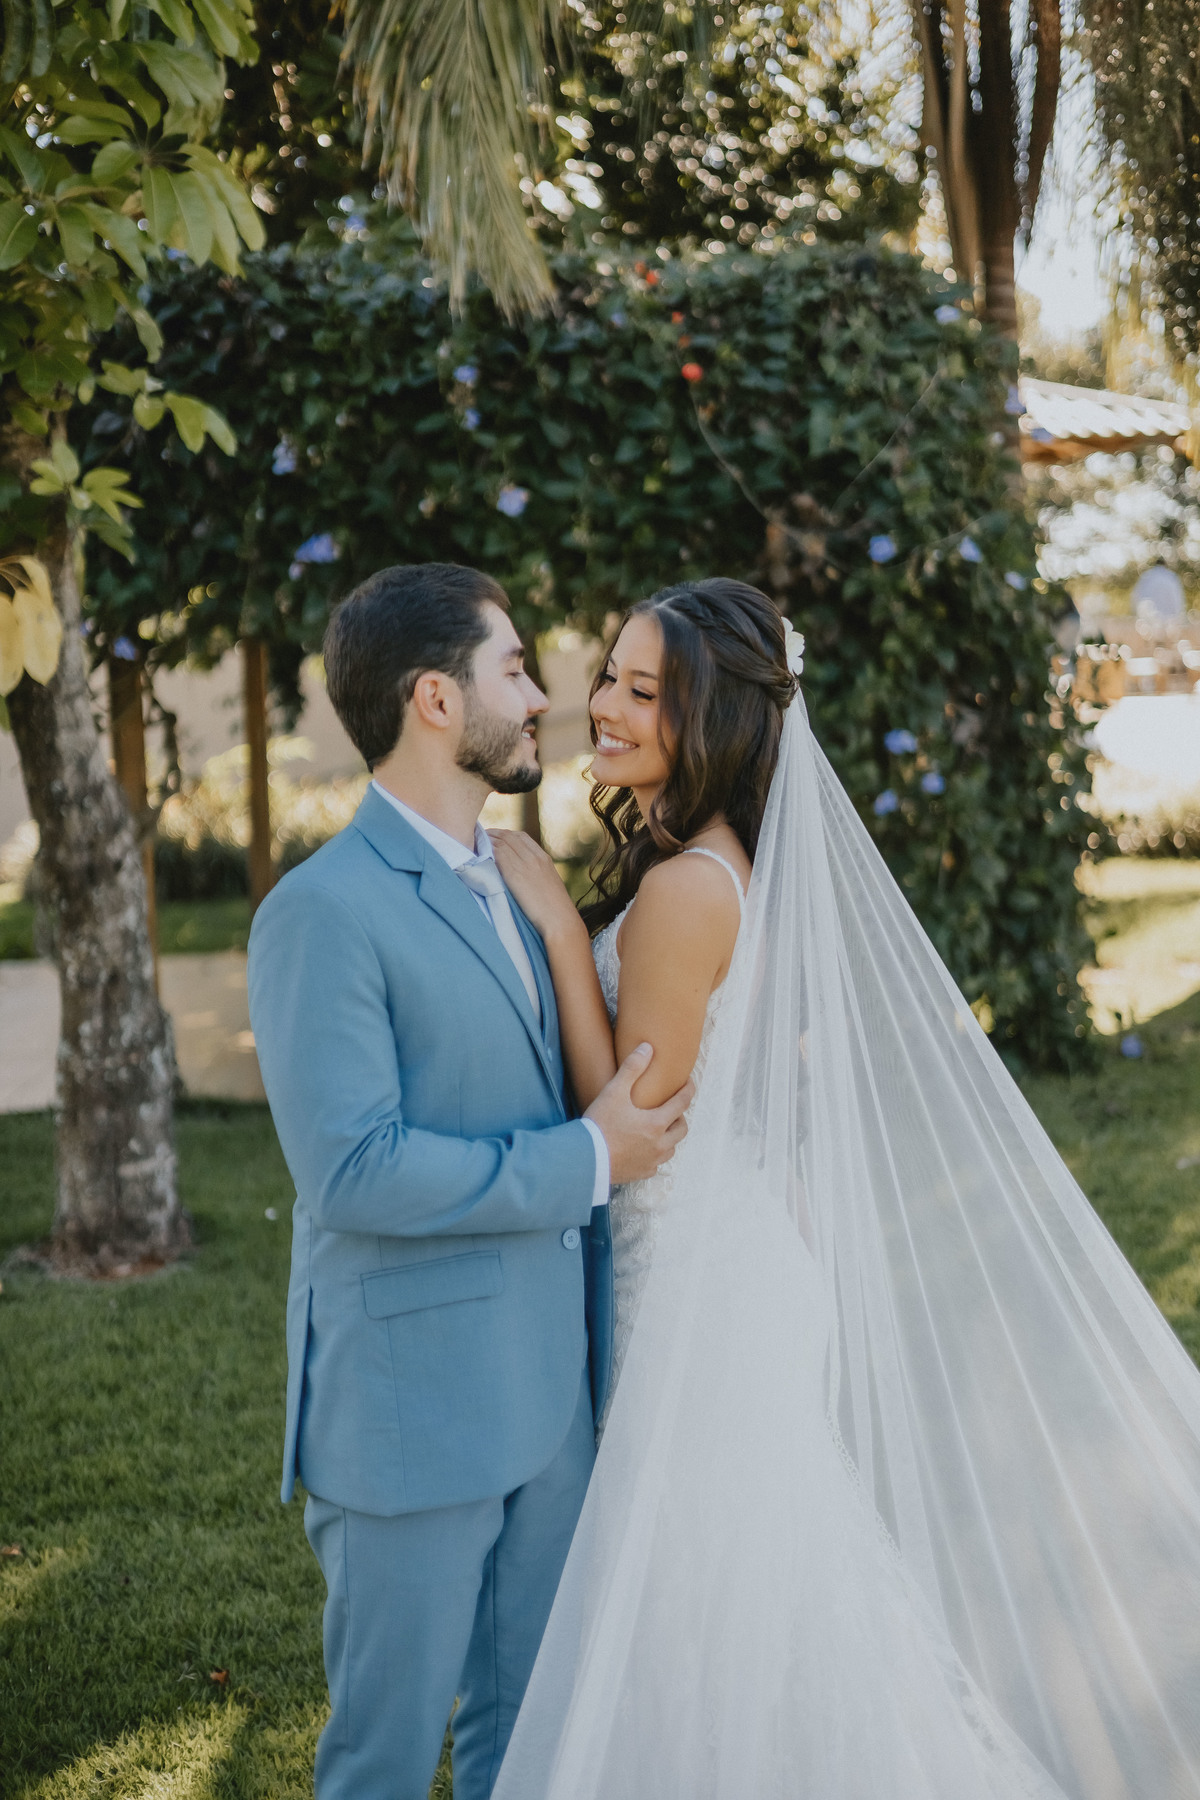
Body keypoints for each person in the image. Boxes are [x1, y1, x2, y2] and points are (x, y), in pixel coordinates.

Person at [489, 577, 1200, 1799]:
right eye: (608, 675)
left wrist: (559, 932)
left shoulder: (686, 888)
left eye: (645, 691)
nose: (604, 704)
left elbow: (635, 1124)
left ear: (713, 721)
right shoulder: (709, 865)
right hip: (726, 1253)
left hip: (697, 1280)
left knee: (721, 1583)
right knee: (748, 1577)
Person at [247, 563, 693, 1800]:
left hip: (549, 1403)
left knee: (530, 1751)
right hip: (411, 1417)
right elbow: (353, 1170)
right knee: (383, 1765)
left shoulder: (521, 882)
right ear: (436, 699)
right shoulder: (320, 912)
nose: (545, 696)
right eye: (515, 669)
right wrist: (590, 1157)